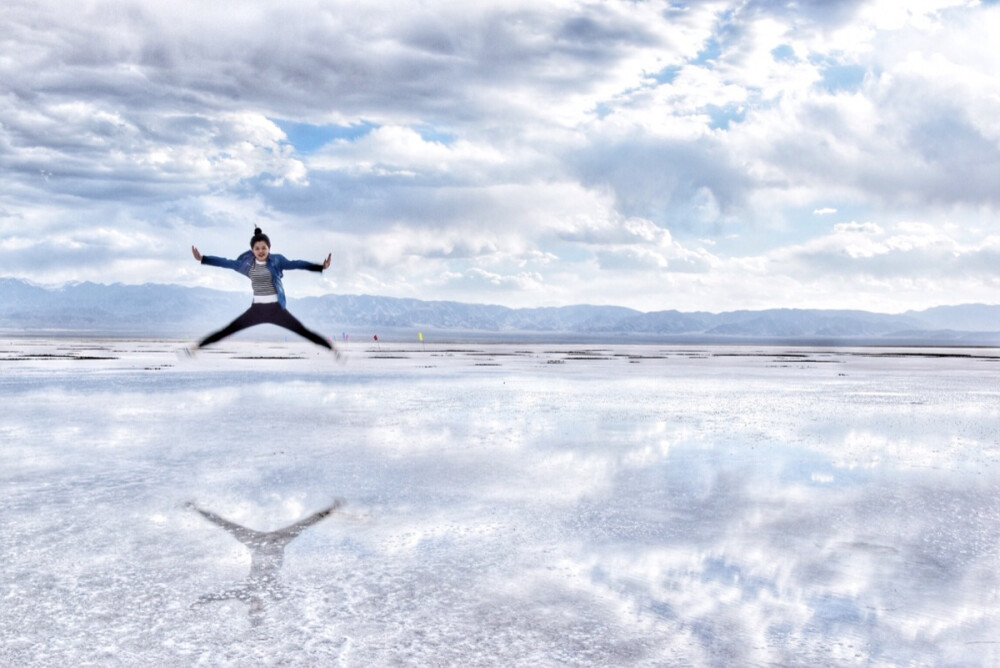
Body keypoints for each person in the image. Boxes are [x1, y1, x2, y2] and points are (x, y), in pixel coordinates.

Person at [188, 227, 340, 357]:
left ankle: (331, 348)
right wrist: (203, 258)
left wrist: (320, 267)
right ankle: (196, 348)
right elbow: (225, 262)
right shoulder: (245, 265)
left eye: (264, 248)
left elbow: (297, 264)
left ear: (269, 248)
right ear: (252, 250)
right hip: (257, 310)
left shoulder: (277, 261)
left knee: (301, 330)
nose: (261, 251)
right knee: (228, 329)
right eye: (257, 248)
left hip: (276, 309)